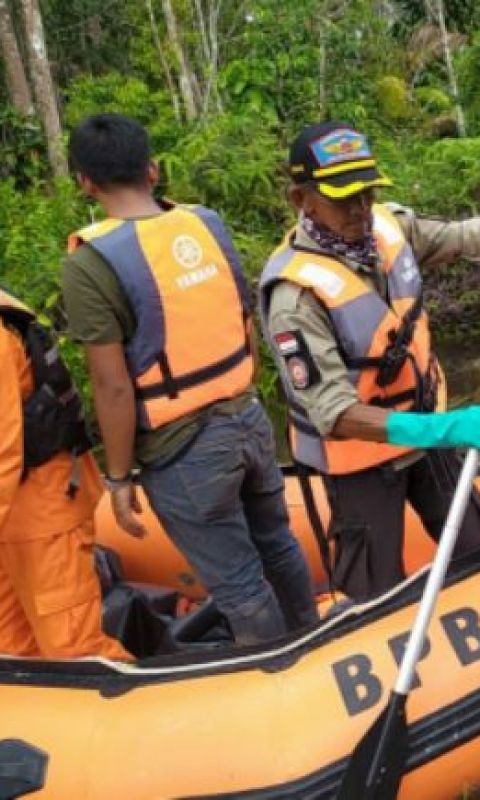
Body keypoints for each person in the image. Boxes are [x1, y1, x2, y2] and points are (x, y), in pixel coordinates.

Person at [260, 121, 480, 601]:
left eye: (366, 193)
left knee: (475, 547)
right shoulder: (294, 297)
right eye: (343, 198)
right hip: (361, 459)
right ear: (301, 199)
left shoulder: (389, 226)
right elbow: (335, 413)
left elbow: (476, 239)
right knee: (375, 591)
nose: (360, 208)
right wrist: (444, 430)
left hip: (428, 431)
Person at [60, 113, 317, 645]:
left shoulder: (91, 262)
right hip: (248, 418)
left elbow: (111, 386)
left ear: (84, 181)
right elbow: (242, 317)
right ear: (152, 170)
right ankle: (311, 636)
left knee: (240, 586)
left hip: (185, 452)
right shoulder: (205, 222)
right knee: (278, 544)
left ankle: (279, 677)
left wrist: (119, 475)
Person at [0, 285, 130, 660]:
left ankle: (145, 713)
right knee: (11, 650)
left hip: (42, 514)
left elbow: (4, 450)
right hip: (11, 522)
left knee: (75, 651)